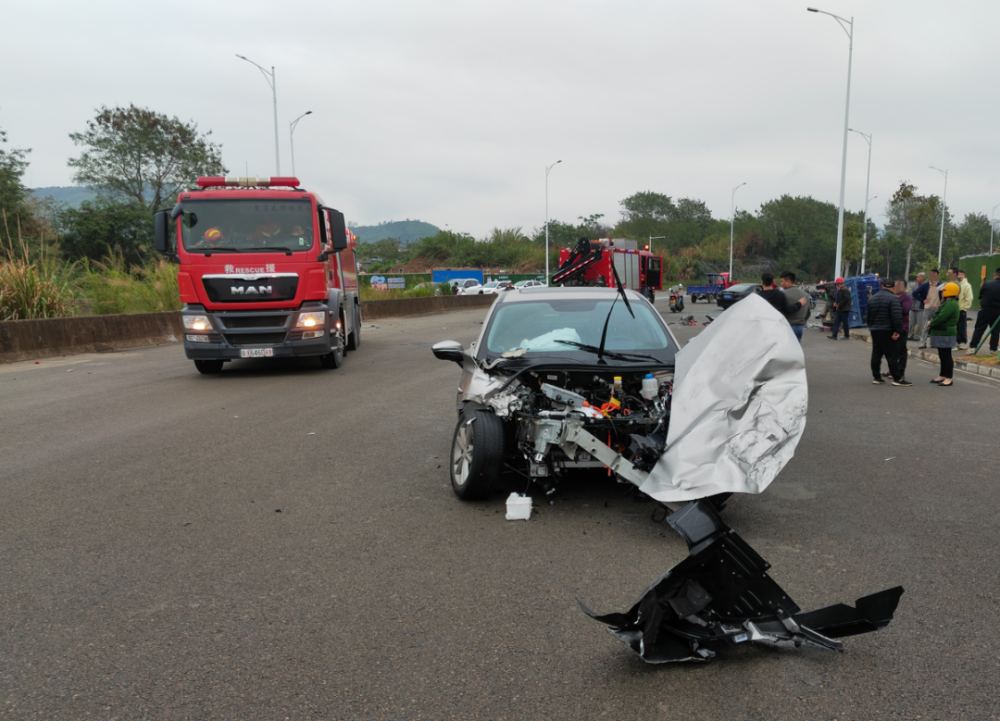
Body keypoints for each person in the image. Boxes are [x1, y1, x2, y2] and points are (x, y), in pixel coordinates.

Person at [866, 278, 910, 386]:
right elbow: (897, 317)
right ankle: (897, 378)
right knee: (892, 356)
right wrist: (897, 331)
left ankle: (877, 377)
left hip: (875, 330)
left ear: (882, 286)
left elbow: (868, 317)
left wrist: (871, 327)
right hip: (888, 330)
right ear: (894, 287)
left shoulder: (872, 299)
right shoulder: (893, 298)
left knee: (876, 354)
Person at [927, 282, 960, 386]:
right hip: (942, 332)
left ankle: (949, 378)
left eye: (944, 291)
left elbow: (941, 317)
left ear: (949, 292)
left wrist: (931, 322)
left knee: (946, 356)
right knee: (942, 355)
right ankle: (942, 375)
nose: (942, 293)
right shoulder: (948, 303)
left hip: (946, 332)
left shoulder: (951, 304)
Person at [969, 267, 1000, 354]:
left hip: (985, 309)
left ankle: (972, 347)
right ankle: (993, 349)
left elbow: (980, 295)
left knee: (979, 329)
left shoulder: (987, 284)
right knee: (996, 330)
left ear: (994, 275)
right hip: (998, 311)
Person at [891, 279, 913, 380]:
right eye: (896, 285)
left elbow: (904, 310)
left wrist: (892, 308)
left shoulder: (907, 298)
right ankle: (892, 371)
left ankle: (900, 372)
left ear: (904, 287)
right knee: (892, 351)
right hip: (890, 327)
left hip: (902, 327)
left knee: (901, 351)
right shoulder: (891, 296)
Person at [779, 271, 810, 342]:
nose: (781, 284)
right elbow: (808, 313)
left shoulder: (783, 295)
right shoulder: (805, 295)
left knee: (785, 351)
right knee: (796, 350)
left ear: (788, 281)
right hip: (799, 327)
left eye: (782, 281)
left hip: (787, 327)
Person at [918, 268, 941, 348]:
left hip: (937, 309)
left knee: (936, 326)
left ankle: (934, 343)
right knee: (926, 326)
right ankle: (923, 342)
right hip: (927, 308)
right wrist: (922, 300)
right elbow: (915, 293)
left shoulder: (940, 285)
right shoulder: (926, 285)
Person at [956, 269, 973, 349]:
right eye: (958, 274)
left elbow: (969, 298)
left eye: (961, 274)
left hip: (961, 309)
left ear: (964, 275)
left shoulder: (966, 285)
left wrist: (964, 308)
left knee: (962, 326)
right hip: (955, 310)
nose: (960, 276)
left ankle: (963, 342)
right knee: (955, 326)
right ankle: (957, 342)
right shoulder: (956, 284)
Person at [909, 272, 929, 340]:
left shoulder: (926, 285)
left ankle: (917, 336)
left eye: (919, 277)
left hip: (921, 307)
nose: (917, 278)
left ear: (923, 278)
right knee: (911, 322)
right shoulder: (914, 285)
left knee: (920, 323)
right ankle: (911, 335)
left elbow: (925, 296)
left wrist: (918, 297)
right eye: (917, 277)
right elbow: (911, 294)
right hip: (913, 306)